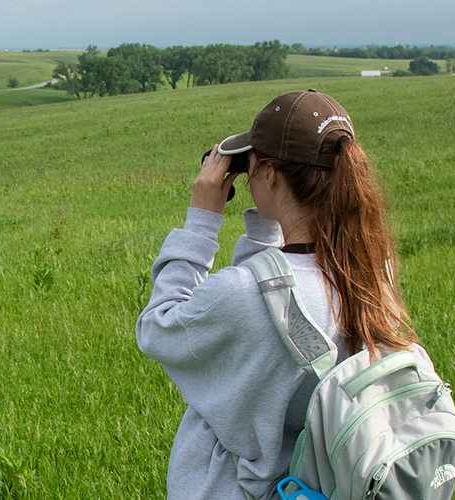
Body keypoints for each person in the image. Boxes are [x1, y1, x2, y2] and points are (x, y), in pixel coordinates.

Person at [136, 90, 418, 499]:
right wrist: (269, 228)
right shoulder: (372, 272)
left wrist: (201, 222)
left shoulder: (241, 294)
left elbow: (158, 328)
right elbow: (280, 288)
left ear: (270, 174)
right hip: (321, 484)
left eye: (251, 165)